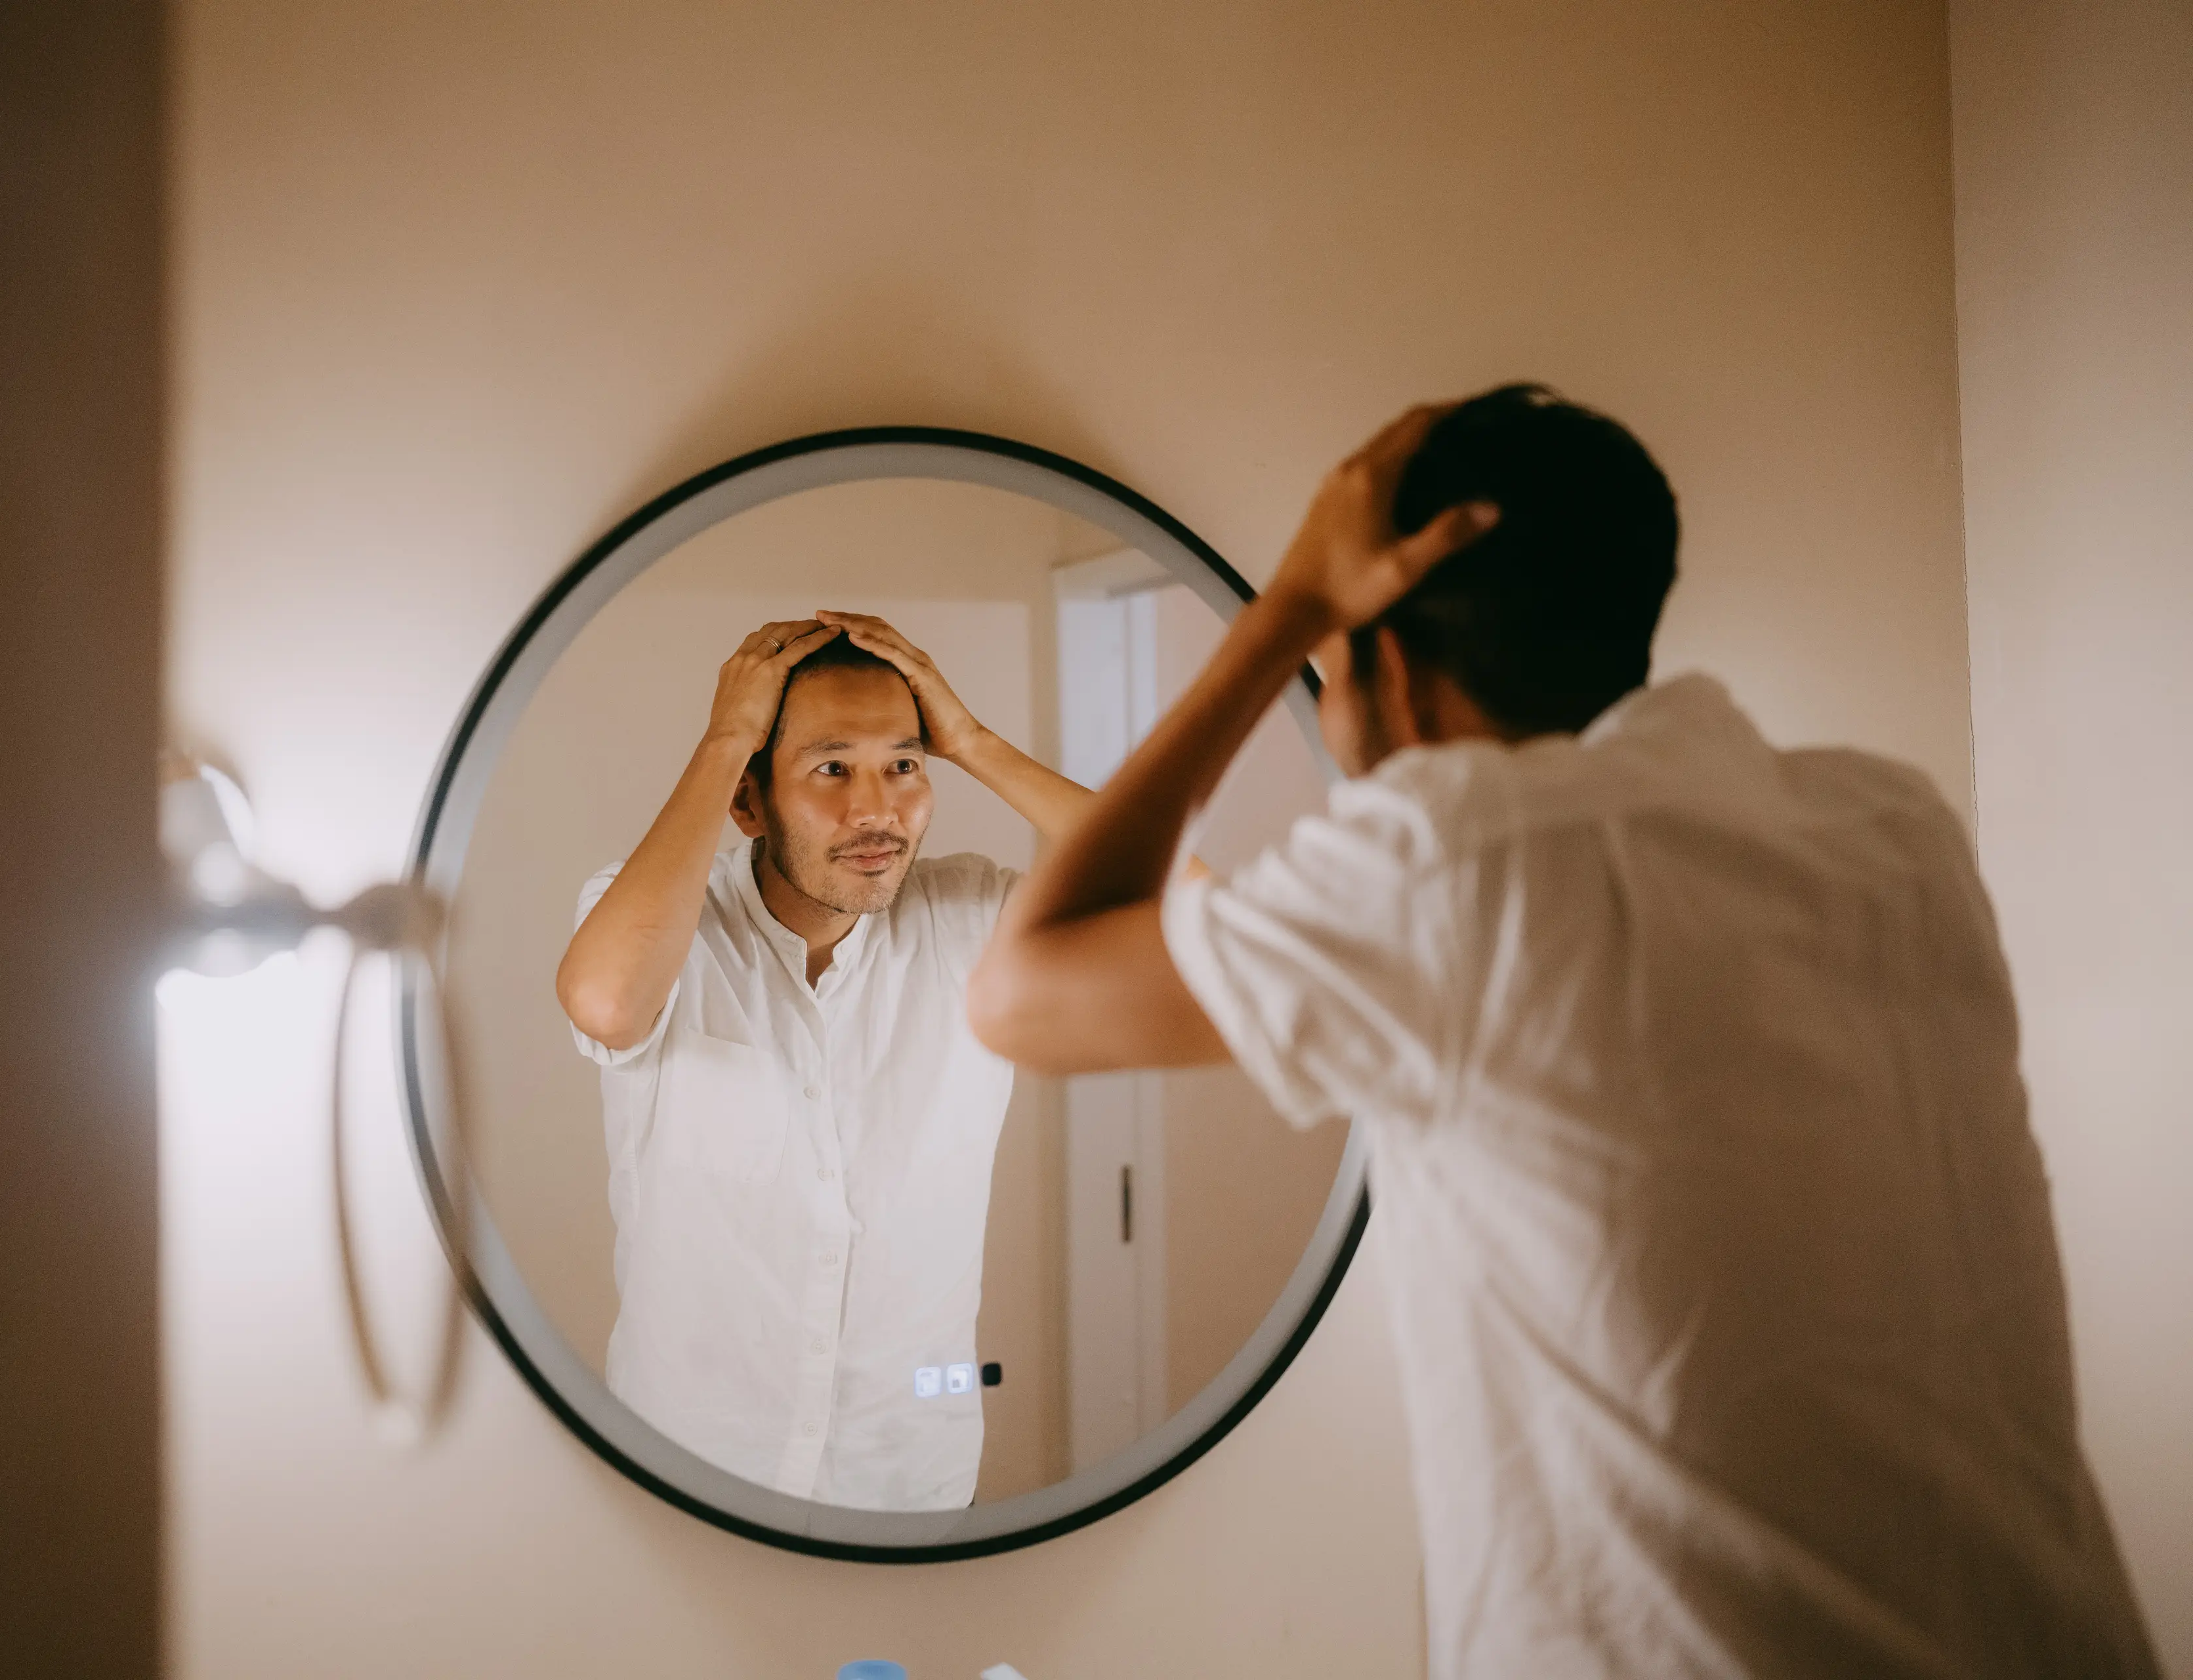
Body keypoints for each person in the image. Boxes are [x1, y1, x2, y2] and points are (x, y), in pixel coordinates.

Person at [968, 387, 2159, 1675]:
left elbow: (1019, 990)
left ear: (1394, 666)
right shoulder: (1889, 830)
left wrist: (1289, 612)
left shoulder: (1453, 869)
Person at [554, 609, 1095, 1511]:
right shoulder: (651, 917)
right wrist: (728, 734)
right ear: (748, 798)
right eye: (832, 768)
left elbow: (1193, 904)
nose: (877, 809)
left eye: (906, 765)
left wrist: (972, 739)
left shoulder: (975, 917)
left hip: (911, 1473)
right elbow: (608, 1006)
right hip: (686, 1469)